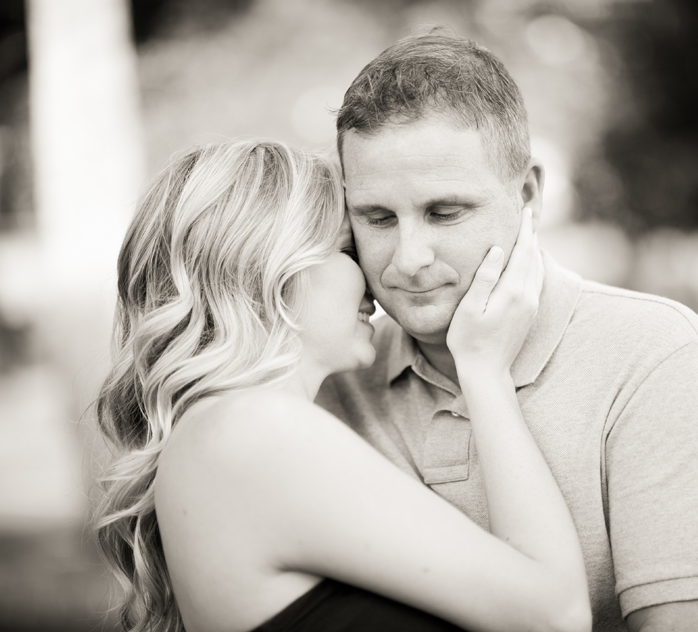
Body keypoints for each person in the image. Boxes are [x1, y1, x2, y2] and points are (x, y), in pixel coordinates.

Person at [317, 32, 698, 631]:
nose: (409, 258)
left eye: (444, 213)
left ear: (527, 194)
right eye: (377, 218)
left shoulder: (656, 357)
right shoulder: (332, 378)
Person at [92, 140, 592, 632]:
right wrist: (483, 371)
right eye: (347, 249)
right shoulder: (255, 430)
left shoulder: (216, 435)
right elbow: (556, 615)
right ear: (271, 268)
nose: (375, 276)